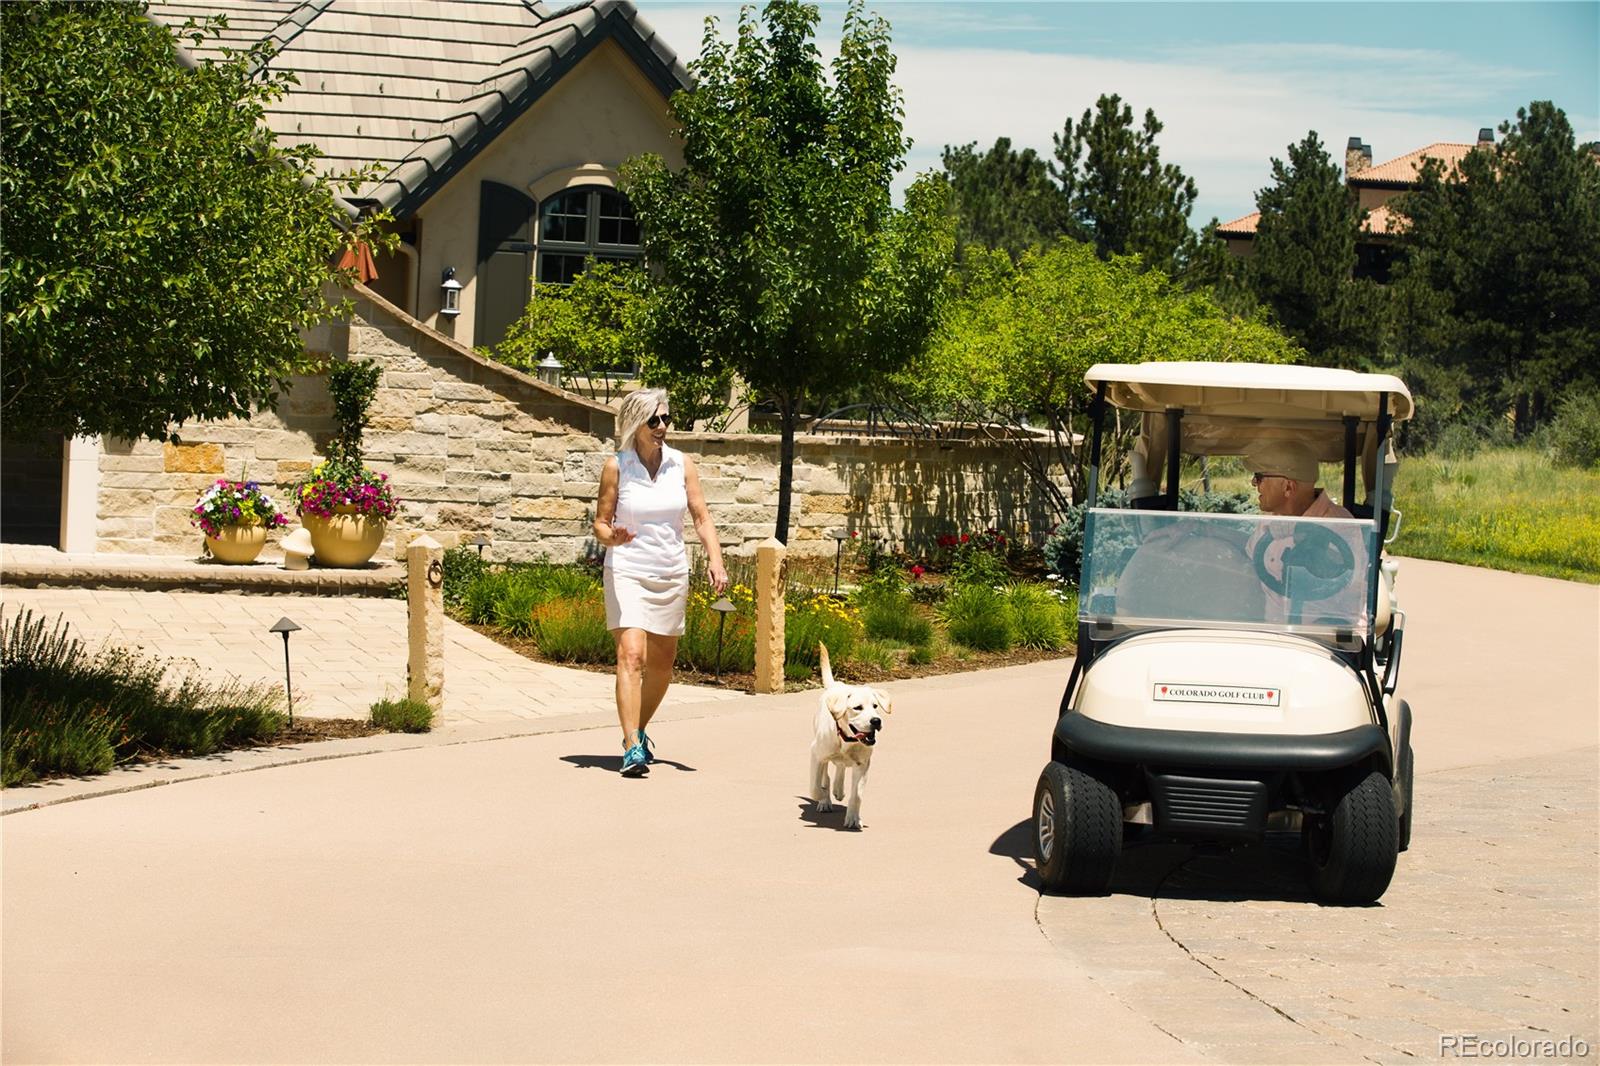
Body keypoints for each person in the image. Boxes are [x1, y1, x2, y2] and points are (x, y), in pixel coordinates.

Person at [592, 388, 728, 777]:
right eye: (654, 420)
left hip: (670, 571)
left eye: (666, 418)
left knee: (663, 666)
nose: (663, 426)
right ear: (636, 423)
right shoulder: (617, 466)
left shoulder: (681, 464)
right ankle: (632, 746)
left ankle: (639, 728)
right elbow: (600, 522)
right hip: (628, 569)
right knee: (632, 656)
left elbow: (701, 517)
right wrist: (610, 536)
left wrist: (715, 560)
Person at [1244, 440, 1352, 519]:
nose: (1254, 483)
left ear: (1288, 487)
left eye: (1259, 478)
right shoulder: (1271, 518)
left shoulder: (1338, 524)